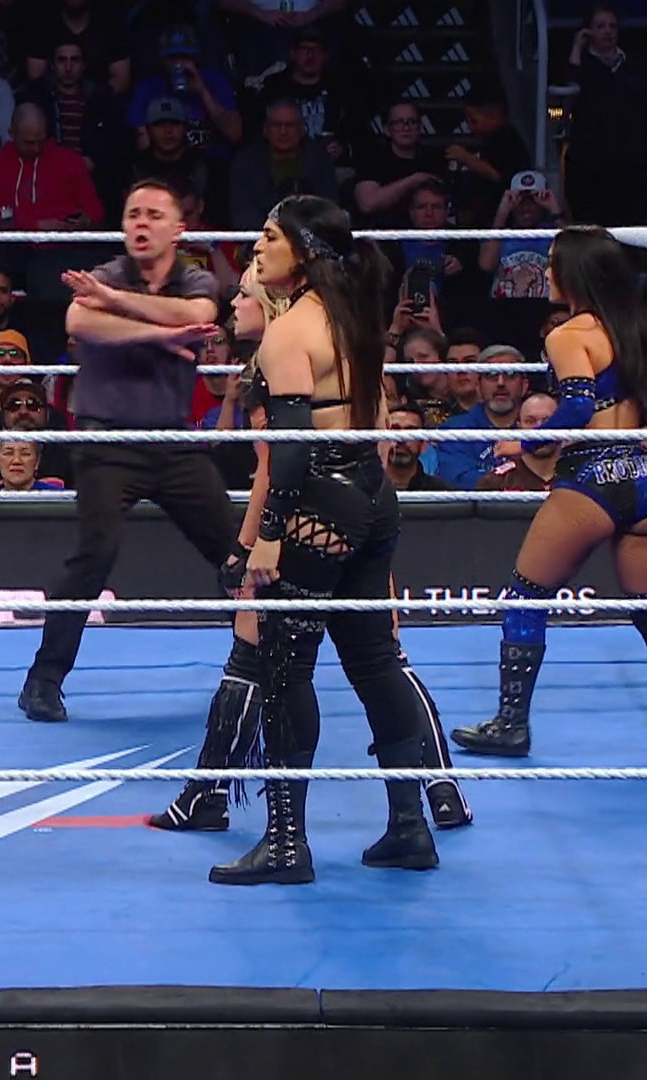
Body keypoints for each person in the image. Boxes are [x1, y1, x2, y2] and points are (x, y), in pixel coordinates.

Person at [151, 264, 471, 837]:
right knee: (381, 657)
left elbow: (274, 467)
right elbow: (372, 444)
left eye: (243, 294)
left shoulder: (279, 358)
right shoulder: (345, 346)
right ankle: (437, 793)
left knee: (262, 658)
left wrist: (248, 546)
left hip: (308, 523)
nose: (233, 305)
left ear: (268, 302)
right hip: (364, 509)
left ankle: (225, 803)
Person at [211, 194, 447, 886]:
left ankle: (287, 844)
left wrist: (267, 536)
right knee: (375, 661)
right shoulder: (353, 317)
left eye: (269, 236)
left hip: (318, 500)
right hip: (372, 492)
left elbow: (289, 450)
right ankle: (410, 828)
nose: (256, 249)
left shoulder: (289, 333)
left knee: (286, 669)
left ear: (305, 251)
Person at [449, 225, 647, 758]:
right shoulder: (632, 330)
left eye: (552, 263)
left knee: (525, 595)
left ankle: (511, 725)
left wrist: (525, 442)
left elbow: (579, 405)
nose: (545, 272)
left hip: (593, 475)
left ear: (575, 273)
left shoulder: (569, 335)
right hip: (642, 479)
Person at [19, 179, 233, 723]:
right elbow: (78, 322)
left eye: (154, 215)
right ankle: (43, 680)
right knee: (94, 556)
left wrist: (115, 305)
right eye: (133, 213)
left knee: (235, 554)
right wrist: (160, 335)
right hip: (107, 441)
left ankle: (265, 666)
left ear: (178, 229)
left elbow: (199, 314)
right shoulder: (109, 270)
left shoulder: (192, 278)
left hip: (172, 442)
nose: (141, 223)